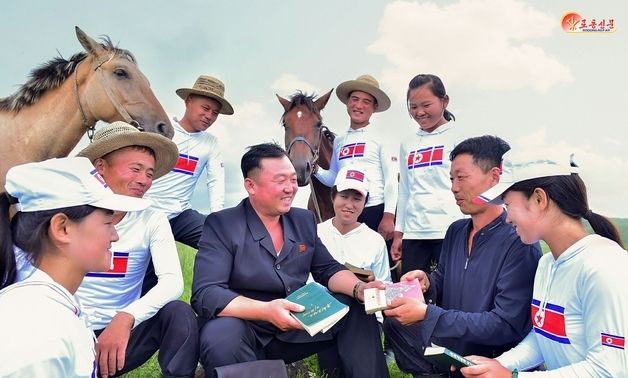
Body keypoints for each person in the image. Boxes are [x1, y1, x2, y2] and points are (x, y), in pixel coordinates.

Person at [191, 143, 390, 377]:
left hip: (294, 325)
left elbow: (327, 269)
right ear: (250, 185)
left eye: (293, 180)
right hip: (244, 327)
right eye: (280, 181)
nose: (290, 189)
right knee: (220, 333)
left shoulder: (303, 220)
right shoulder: (222, 224)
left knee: (354, 306)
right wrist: (266, 310)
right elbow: (206, 293)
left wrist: (360, 289)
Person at [383, 136, 542, 377]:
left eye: (462, 177)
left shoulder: (519, 240)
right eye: (451, 179)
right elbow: (444, 277)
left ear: (495, 177)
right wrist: (427, 281)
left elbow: (506, 325)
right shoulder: (457, 230)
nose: (454, 187)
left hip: (491, 357)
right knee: (394, 323)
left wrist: (428, 314)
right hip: (451, 342)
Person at [460, 151, 628, 377]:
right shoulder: (547, 264)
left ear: (539, 199)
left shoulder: (603, 266)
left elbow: (609, 370)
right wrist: (498, 365)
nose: (507, 218)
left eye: (509, 205)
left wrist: (514, 377)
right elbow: (543, 336)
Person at [73, 121, 200, 378]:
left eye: (150, 174)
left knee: (178, 313)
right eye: (135, 169)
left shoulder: (152, 218)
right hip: (69, 333)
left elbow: (173, 282)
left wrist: (127, 316)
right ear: (100, 168)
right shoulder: (68, 214)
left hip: (123, 337)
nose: (143, 180)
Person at [0, 157, 148, 377]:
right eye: (108, 223)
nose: (115, 236)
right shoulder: (35, 329)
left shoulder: (54, 305)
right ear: (63, 228)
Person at [145, 74, 234, 249]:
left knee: (222, 243)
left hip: (180, 215)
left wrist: (218, 220)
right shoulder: (162, 128)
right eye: (205, 108)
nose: (209, 116)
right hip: (146, 212)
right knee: (148, 271)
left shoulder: (211, 143)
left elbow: (215, 180)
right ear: (188, 101)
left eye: (215, 113)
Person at [392, 74, 467, 275]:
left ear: (444, 101)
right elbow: (405, 190)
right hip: (414, 232)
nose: (420, 112)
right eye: (413, 107)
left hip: (451, 229)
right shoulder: (407, 143)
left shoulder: (459, 136)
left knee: (451, 290)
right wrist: (399, 233)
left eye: (426, 105)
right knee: (413, 292)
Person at [314, 74, 398, 247]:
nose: (359, 105)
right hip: (347, 211)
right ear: (347, 103)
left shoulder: (382, 138)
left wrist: (388, 215)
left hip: (374, 209)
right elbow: (333, 178)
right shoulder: (339, 140)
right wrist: (314, 169)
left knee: (376, 266)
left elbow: (391, 179)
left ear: (374, 107)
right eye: (354, 99)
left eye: (366, 102)